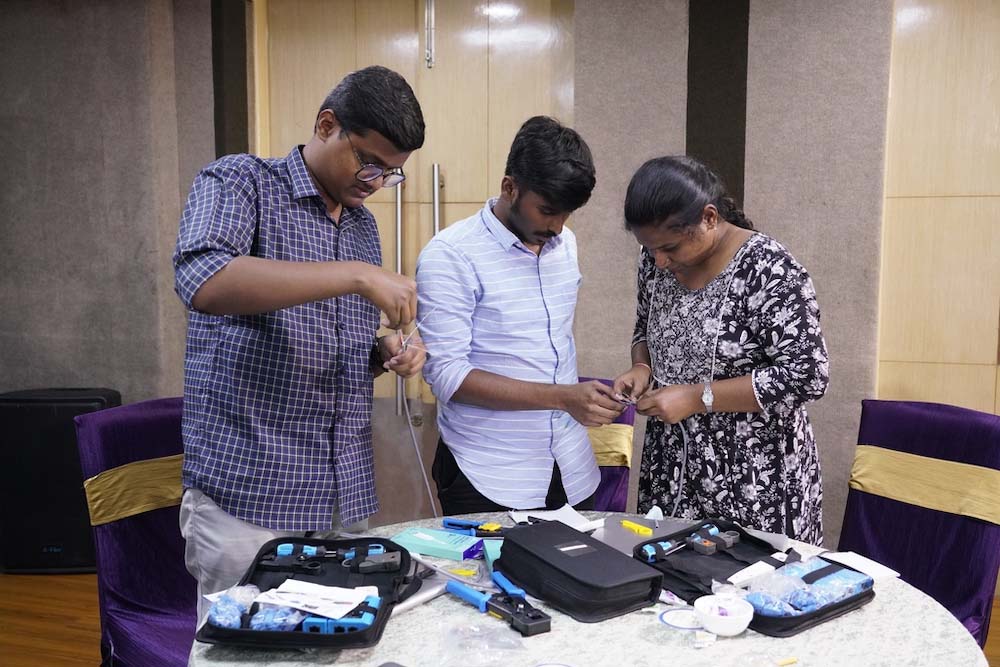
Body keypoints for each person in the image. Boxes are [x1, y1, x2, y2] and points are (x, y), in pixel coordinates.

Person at [173, 66, 426, 621]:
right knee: (244, 650)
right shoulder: (240, 182)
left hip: (341, 491)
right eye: (369, 161)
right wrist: (356, 275)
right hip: (252, 493)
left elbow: (334, 343)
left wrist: (383, 353)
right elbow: (204, 281)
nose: (375, 181)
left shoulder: (360, 225)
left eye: (391, 173)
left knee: (335, 643)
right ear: (327, 124)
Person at [612, 156, 828, 545]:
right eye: (650, 248)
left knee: (746, 596)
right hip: (671, 474)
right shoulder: (655, 259)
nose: (660, 261)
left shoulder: (769, 269)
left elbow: (807, 375)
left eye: (670, 247)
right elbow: (644, 325)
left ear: (709, 218)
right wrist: (642, 368)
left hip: (756, 481)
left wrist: (698, 397)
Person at [416, 116, 623, 515]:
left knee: (580, 575)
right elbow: (448, 376)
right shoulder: (451, 254)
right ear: (509, 187)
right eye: (547, 210)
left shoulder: (564, 243)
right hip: (489, 473)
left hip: (572, 467)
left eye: (567, 214)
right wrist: (562, 397)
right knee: (488, 578)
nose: (558, 226)